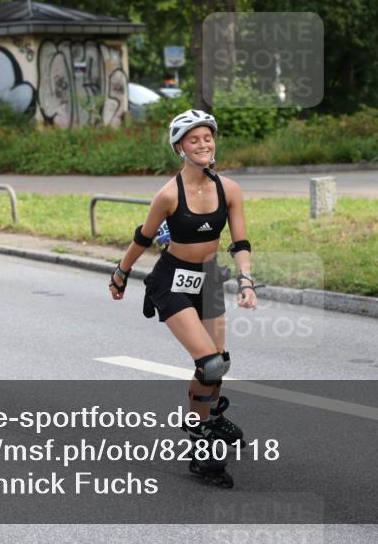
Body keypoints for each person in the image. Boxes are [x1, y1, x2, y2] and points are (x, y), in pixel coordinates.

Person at [108, 109, 258, 486]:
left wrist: (246, 280)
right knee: (207, 364)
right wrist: (122, 272)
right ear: (180, 147)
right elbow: (144, 237)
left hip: (207, 280)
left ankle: (206, 427)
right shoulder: (169, 194)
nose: (203, 144)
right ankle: (200, 433)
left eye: (208, 138)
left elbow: (239, 242)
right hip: (172, 280)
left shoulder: (230, 189)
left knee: (219, 364)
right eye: (194, 139)